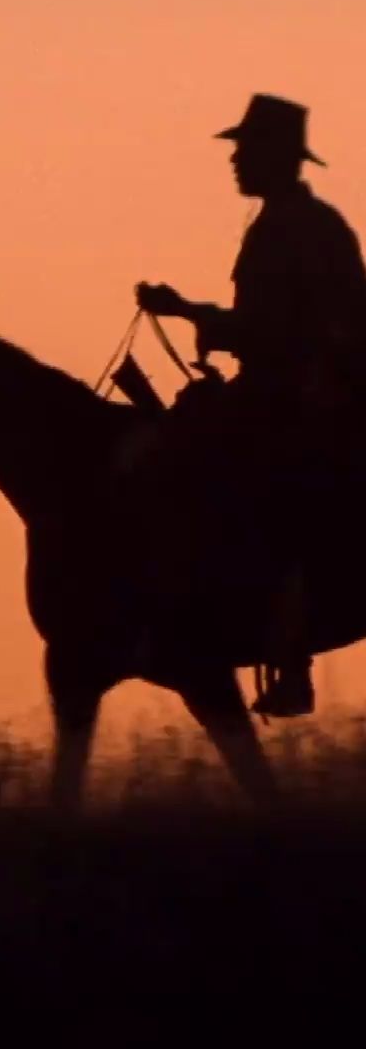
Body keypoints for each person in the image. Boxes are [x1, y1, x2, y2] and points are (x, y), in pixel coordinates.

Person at [136, 93, 366, 717]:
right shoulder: (295, 224)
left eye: (245, 149)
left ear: (276, 157)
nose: (235, 161)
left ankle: (285, 648)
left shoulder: (298, 229)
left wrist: (191, 313)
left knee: (239, 482)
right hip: (288, 388)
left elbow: (279, 332)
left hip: (301, 396)